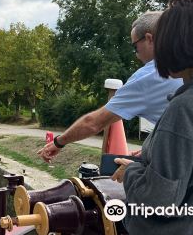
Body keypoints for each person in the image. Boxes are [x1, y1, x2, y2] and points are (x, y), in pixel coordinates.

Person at [112, 0, 193, 234]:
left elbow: (157, 202)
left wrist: (131, 172)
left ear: (177, 46)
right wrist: (153, 153)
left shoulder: (186, 108)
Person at [38, 11, 183, 161]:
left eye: (135, 47)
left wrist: (58, 142)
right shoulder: (191, 64)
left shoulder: (149, 76)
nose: (136, 55)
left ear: (149, 39)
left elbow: (93, 123)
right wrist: (151, 148)